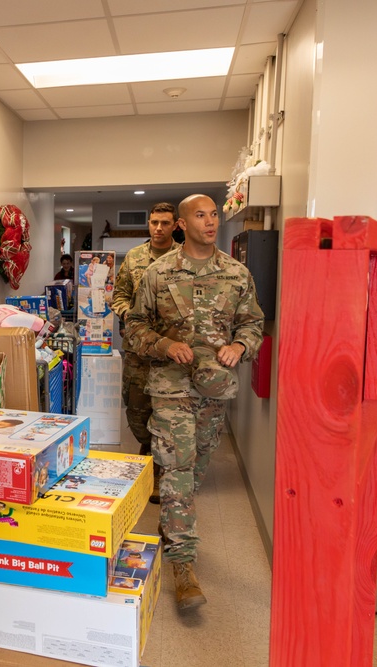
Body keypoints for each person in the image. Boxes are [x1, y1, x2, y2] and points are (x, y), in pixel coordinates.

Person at [124, 194, 263, 611]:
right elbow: (134, 325)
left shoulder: (238, 274)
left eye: (214, 214)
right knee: (178, 471)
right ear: (182, 224)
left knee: (195, 469)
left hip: (214, 391)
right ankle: (183, 567)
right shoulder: (158, 273)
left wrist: (240, 345)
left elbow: (253, 323)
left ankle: (173, 523)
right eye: (200, 215)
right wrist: (165, 344)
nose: (210, 221)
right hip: (170, 389)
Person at [111, 202, 180, 504]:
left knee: (166, 414)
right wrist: (129, 315)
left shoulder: (185, 258)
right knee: (137, 412)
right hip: (138, 350)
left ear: (175, 225)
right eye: (154, 222)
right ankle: (147, 448)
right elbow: (119, 294)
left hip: (170, 353)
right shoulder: (135, 258)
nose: (159, 228)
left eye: (165, 223)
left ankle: (157, 471)